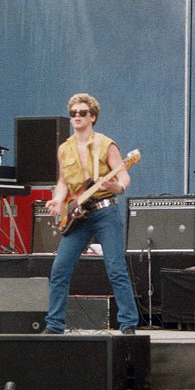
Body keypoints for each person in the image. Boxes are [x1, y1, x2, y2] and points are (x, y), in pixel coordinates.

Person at [43, 93, 139, 335]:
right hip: (79, 215)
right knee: (59, 269)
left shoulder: (106, 144)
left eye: (82, 113)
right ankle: (54, 325)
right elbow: (64, 181)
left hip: (105, 211)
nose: (77, 116)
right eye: (73, 113)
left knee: (115, 268)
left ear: (92, 117)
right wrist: (57, 199)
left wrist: (115, 187)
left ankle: (128, 324)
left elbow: (124, 176)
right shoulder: (64, 148)